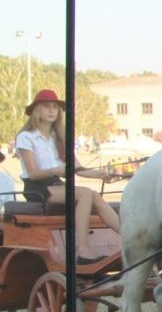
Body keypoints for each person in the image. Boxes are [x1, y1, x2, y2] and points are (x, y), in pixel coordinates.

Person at [14, 89, 121, 263]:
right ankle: (83, 250)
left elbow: (77, 168)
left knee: (94, 195)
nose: (51, 110)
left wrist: (100, 175)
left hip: (56, 184)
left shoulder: (60, 139)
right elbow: (33, 174)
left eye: (55, 107)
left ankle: (129, 237)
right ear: (36, 110)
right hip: (38, 188)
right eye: (46, 106)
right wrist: (55, 170)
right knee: (85, 193)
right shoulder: (26, 137)